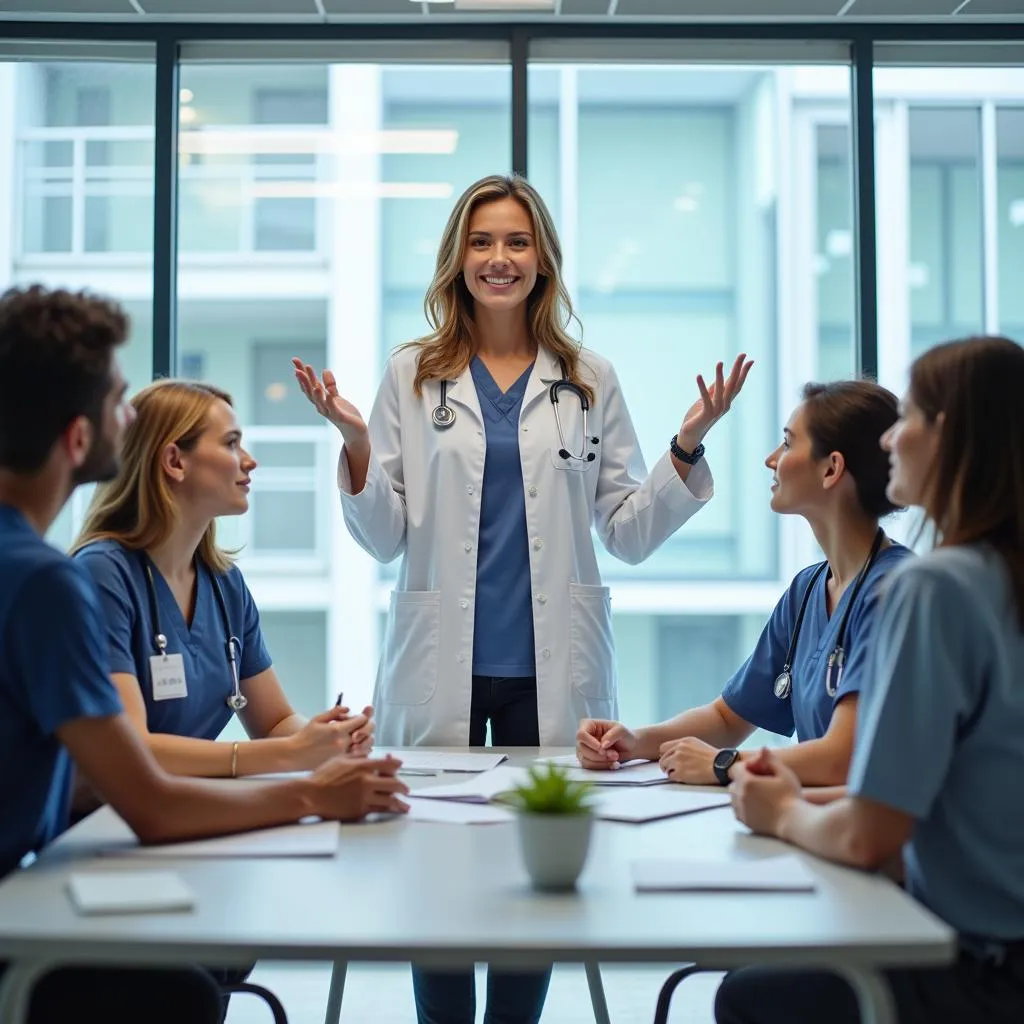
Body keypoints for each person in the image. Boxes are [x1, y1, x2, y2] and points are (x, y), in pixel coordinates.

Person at [294, 172, 751, 1024]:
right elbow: (386, 535)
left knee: (535, 880)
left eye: (514, 242)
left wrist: (686, 445)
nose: (497, 259)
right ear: (457, 259)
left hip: (554, 671)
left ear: (541, 260)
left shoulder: (587, 379)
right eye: (481, 242)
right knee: (435, 882)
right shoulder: (412, 374)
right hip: (443, 669)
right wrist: (358, 447)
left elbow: (626, 531)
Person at [0, 284, 409, 1024]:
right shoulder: (62, 579)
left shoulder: (213, 582)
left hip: (51, 879)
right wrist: (311, 787)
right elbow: (145, 793)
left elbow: (269, 723)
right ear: (77, 437)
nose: (129, 417)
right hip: (33, 902)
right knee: (184, 985)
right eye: (118, 401)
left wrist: (315, 744)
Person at [721, 336, 1024, 1024]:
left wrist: (783, 812)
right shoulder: (995, 579)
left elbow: (870, 837)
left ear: (949, 436)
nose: (890, 438)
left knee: (745, 997)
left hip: (972, 964)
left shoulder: (931, 588)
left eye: (909, 416)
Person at [577, 380, 910, 788]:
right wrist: (632, 740)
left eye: (787, 445)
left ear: (831, 468)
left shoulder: (895, 591)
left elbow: (844, 757)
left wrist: (724, 764)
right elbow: (727, 717)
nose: (771, 460)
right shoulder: (808, 592)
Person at [70, 379, 372, 779]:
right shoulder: (101, 575)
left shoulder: (224, 584)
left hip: (187, 808)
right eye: (231, 444)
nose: (249, 461)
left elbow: (275, 724)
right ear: (175, 461)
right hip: (104, 822)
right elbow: (131, 747)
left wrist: (328, 740)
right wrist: (292, 754)